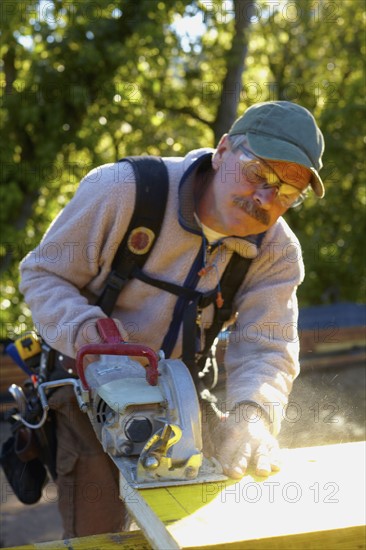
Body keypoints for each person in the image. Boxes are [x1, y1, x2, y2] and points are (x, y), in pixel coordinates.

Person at [19, 100, 325, 537]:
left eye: (287, 192)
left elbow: (266, 345)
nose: (265, 198)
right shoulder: (123, 190)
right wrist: (92, 335)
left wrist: (253, 413)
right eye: (259, 173)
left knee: (198, 524)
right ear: (221, 152)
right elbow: (43, 273)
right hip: (87, 391)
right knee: (102, 532)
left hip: (181, 393)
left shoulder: (277, 252)